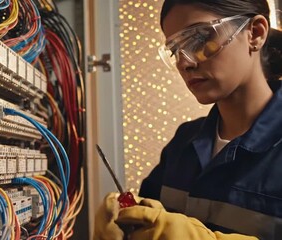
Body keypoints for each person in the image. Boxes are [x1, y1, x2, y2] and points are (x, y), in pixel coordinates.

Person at [94, 0, 282, 239]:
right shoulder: (184, 141)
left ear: (255, 33)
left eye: (200, 38)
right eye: (174, 50)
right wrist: (124, 222)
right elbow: (149, 218)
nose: (185, 62)